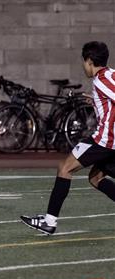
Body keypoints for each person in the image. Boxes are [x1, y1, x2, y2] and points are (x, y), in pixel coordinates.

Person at [21, 41, 115, 235]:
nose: (83, 65)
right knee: (96, 178)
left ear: (89, 60)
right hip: (110, 141)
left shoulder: (102, 80)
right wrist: (95, 99)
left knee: (64, 168)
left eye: (83, 61)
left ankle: (49, 221)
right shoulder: (109, 75)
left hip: (104, 141)